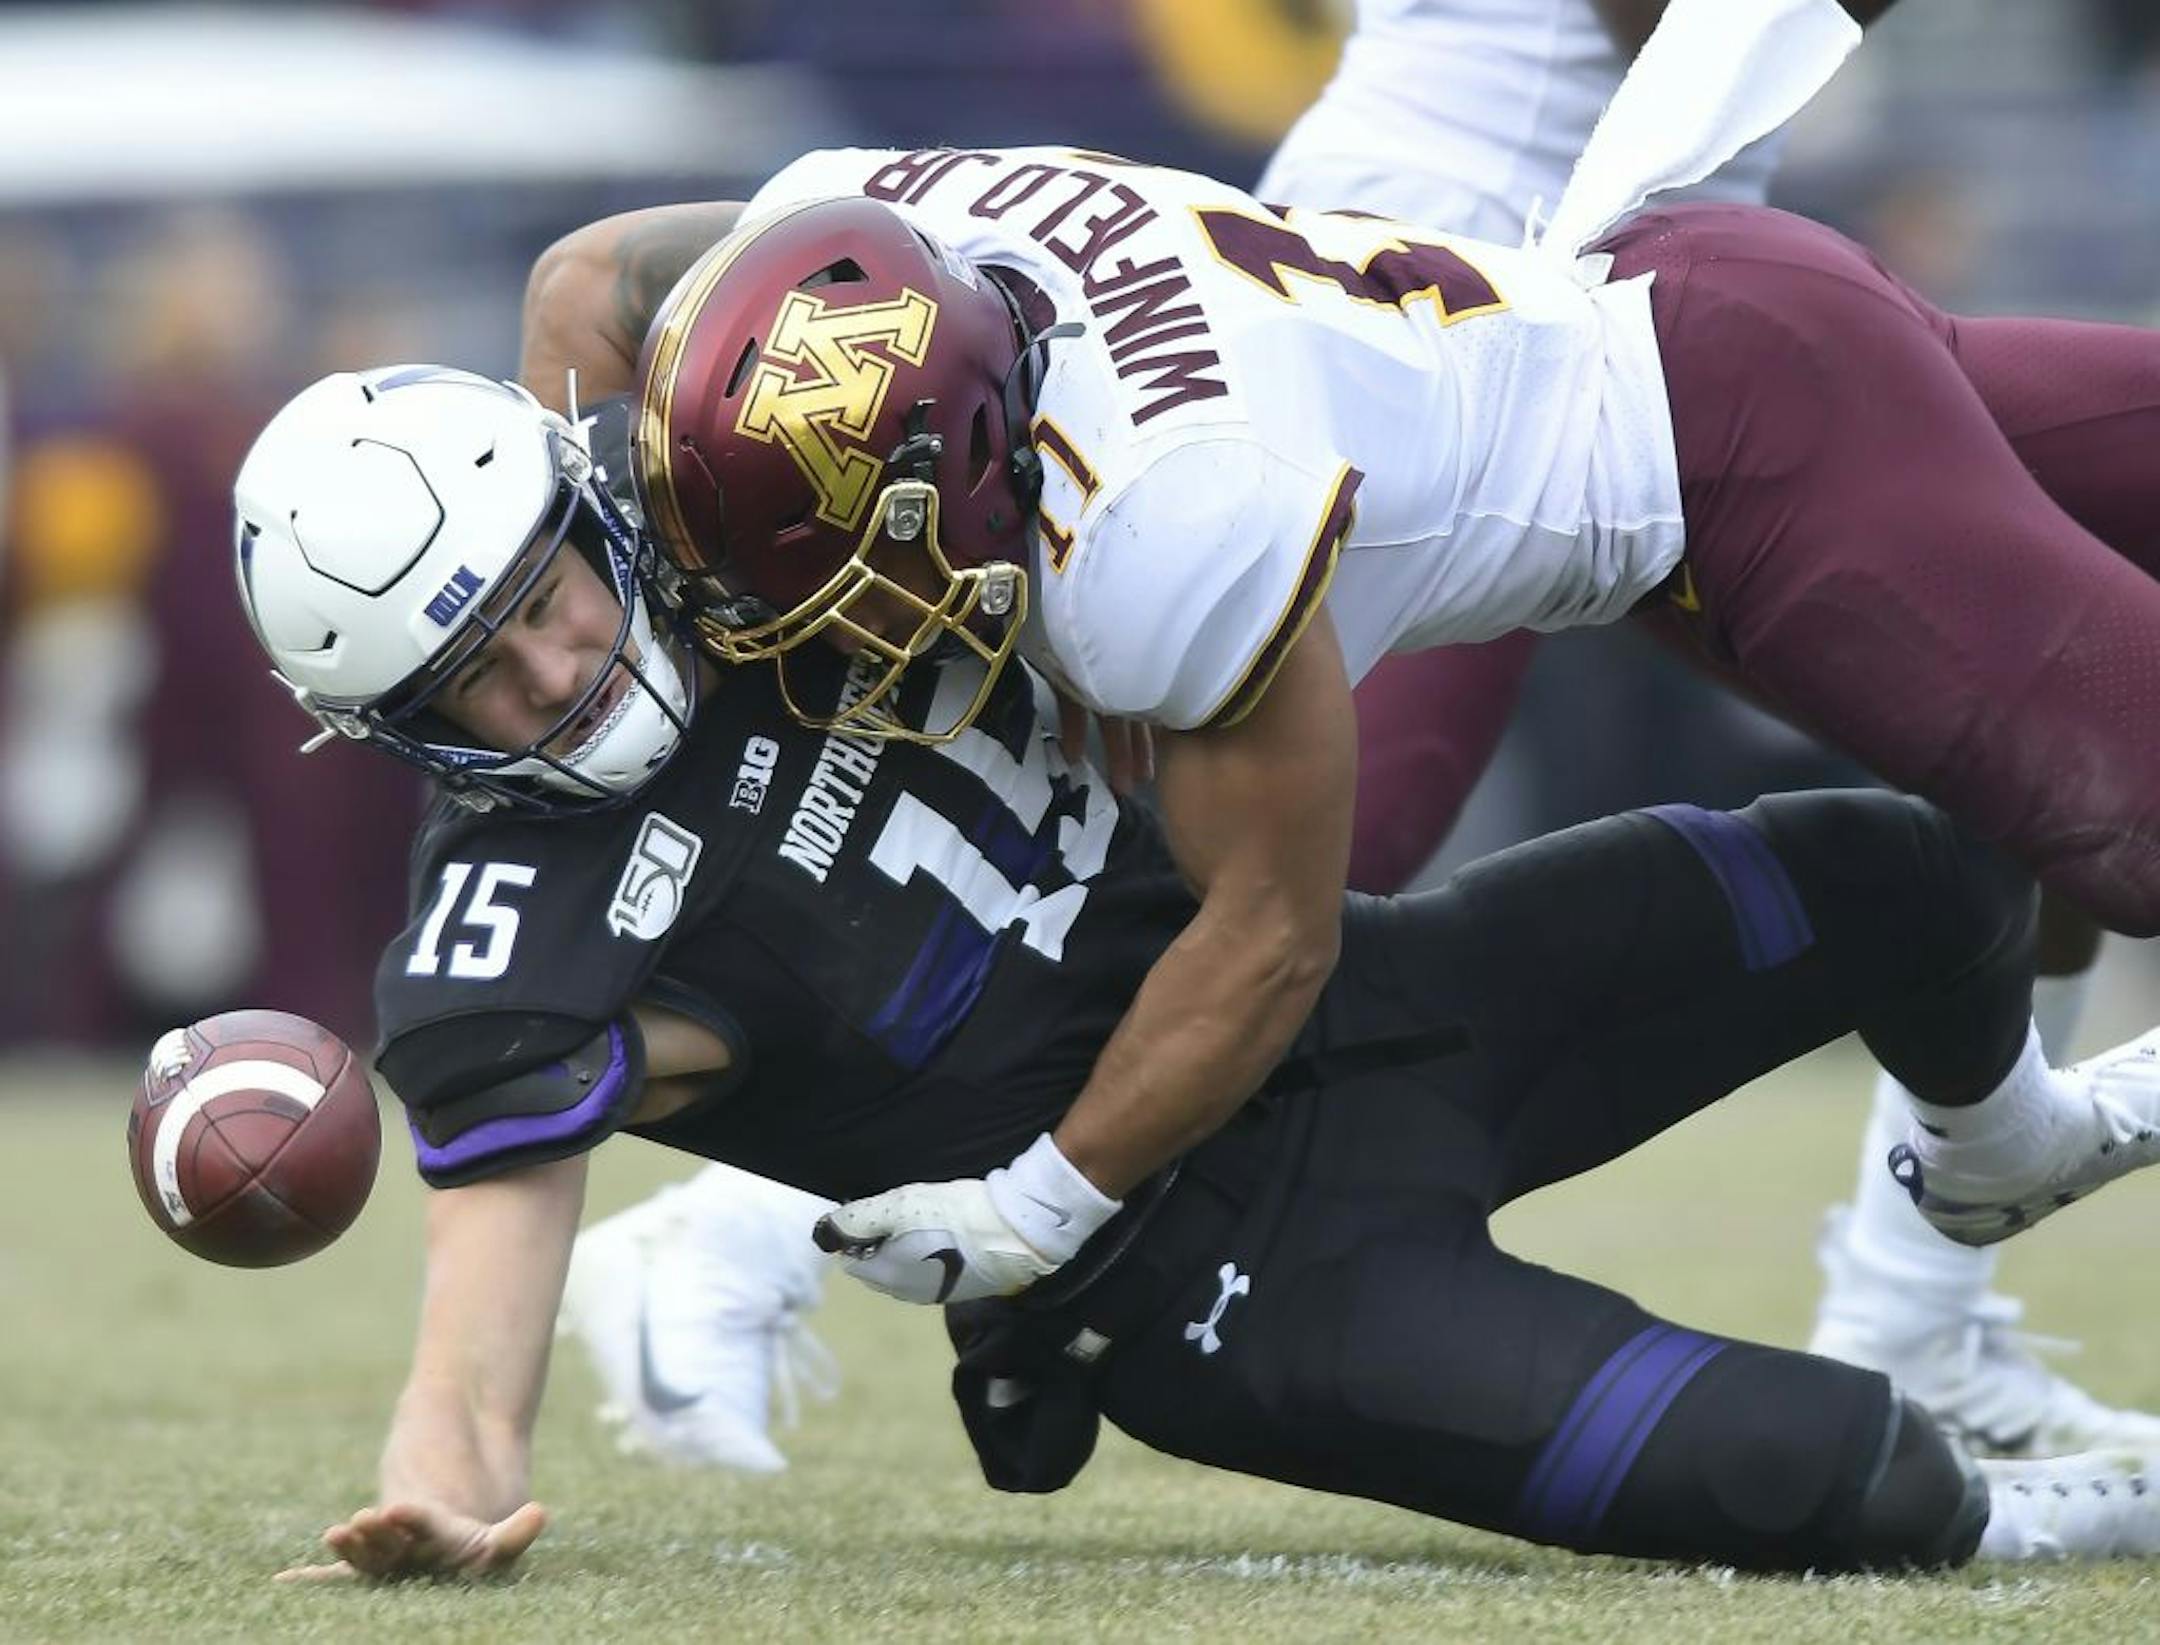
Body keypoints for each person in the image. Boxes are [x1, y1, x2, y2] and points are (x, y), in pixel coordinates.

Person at [237, 364, 2160, 1577]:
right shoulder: (509, 937)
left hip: (1354, 1001)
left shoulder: (755, 504)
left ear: (590, 511)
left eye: (545, 601)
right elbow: (472, 1341)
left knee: (1905, 870)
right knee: (1844, 1482)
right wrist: (444, 1488)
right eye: (471, 678)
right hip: (1208, 1274)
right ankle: (2056, 1520)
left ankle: (1997, 1150)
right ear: (391, 729)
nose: (554, 675)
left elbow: (645, 281)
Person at [517, 0, 2160, 1324]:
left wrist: (1034, 1214)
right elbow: (589, 286)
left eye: (868, 572)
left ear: (973, 459)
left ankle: (1978, 1183)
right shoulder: (870, 240)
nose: (847, 634)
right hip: (1637, 310)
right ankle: (1989, 1165)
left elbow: (1274, 939)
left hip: (1740, 433)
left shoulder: (1164, 529)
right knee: (2039, 739)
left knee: (2122, 816)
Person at [1252, 0, 2156, 1455]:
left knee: (2029, 732)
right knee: (1290, 861)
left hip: (1654, 328)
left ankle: (1920, 1300)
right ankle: (772, 1241)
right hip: (1477, 323)